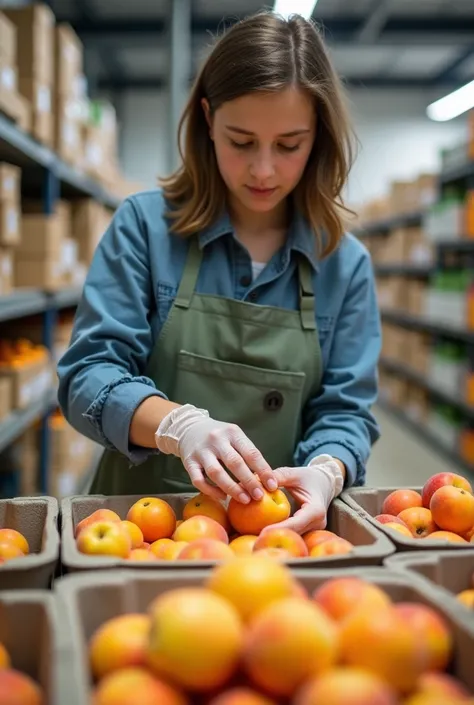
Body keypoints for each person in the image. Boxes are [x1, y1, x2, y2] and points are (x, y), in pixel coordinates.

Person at [57, 11, 381, 535]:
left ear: (318, 134)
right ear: (208, 120)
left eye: (289, 144)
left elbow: (346, 412)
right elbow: (86, 376)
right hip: (140, 532)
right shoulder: (144, 228)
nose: (263, 170)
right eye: (241, 140)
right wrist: (176, 426)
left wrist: (327, 469)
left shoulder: (344, 265)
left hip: (275, 536)